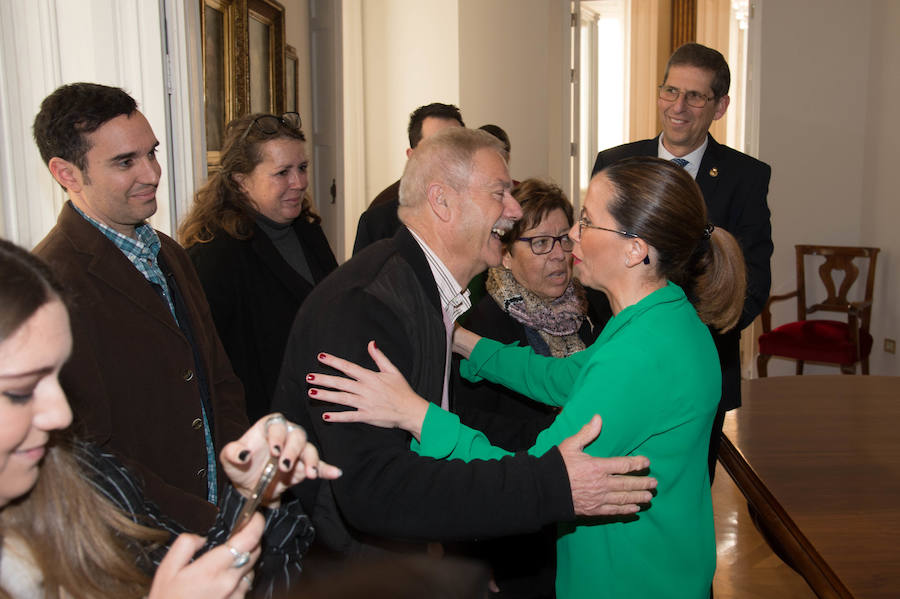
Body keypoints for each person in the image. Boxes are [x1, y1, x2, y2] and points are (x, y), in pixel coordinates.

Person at [308, 157, 747, 598]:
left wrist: (416, 414)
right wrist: (461, 340)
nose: (572, 235)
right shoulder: (662, 315)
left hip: (631, 579)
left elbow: (533, 475)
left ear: (635, 249)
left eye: (589, 222)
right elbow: (561, 376)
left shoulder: (643, 353)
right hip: (669, 565)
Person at [271, 127, 657, 560]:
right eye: (499, 193)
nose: (513, 210)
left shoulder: (423, 288)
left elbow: (447, 416)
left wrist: (548, 441)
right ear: (442, 202)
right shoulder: (365, 307)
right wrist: (548, 483)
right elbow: (376, 490)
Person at [0, 238, 341, 598]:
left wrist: (251, 496)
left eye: (59, 378)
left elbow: (227, 575)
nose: (62, 414)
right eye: (21, 390)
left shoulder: (86, 479)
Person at [31, 82, 248, 531]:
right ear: (66, 173)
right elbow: (89, 451)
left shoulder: (169, 252)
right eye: (125, 162)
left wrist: (239, 480)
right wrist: (200, 520)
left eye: (152, 153)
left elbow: (219, 378)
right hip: (141, 533)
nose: (151, 173)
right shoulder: (52, 282)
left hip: (221, 509)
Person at [591, 42, 773, 481]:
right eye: (670, 91)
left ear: (720, 106)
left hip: (698, 372)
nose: (679, 106)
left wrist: (682, 339)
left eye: (695, 96)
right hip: (618, 366)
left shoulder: (746, 178)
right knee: (610, 493)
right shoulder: (615, 163)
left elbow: (752, 284)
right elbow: (595, 259)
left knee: (682, 499)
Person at [452, 178, 611, 598]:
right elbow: (467, 426)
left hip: (587, 511)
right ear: (504, 253)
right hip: (518, 520)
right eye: (540, 243)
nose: (559, 255)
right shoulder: (481, 326)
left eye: (563, 238)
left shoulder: (592, 308)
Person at [179, 112, 338, 422]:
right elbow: (210, 363)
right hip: (262, 423)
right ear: (241, 181)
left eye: (302, 168)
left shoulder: (307, 229)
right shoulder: (214, 254)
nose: (299, 182)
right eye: (282, 173)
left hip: (318, 410)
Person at [351, 103, 464, 255]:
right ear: (412, 156)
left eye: (456, 145)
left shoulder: (482, 213)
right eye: (436, 147)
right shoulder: (377, 224)